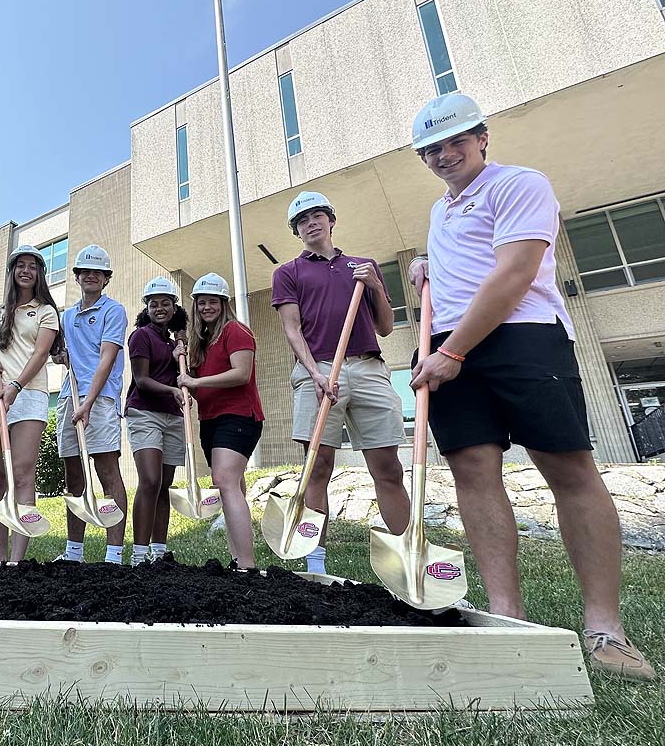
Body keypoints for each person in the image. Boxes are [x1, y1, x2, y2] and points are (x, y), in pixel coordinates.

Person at [407, 92, 654, 681]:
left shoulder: (519, 183)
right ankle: (506, 614)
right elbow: (466, 262)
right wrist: (426, 266)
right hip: (449, 345)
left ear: (483, 136)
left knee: (567, 468)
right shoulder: (442, 212)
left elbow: (514, 272)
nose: (444, 154)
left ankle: (604, 628)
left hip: (522, 337)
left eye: (455, 141)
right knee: (472, 470)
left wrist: (451, 351)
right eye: (432, 148)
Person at [271, 191, 412, 575]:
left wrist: (377, 287)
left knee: (389, 467)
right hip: (317, 368)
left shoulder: (363, 266)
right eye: (302, 220)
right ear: (297, 230)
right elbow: (291, 328)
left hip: (367, 368)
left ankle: (407, 557)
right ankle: (316, 565)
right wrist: (314, 373)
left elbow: (384, 327)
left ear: (331, 220)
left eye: (317, 215)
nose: (310, 223)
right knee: (318, 467)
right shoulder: (288, 272)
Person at [0, 244, 61, 563]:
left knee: (22, 472)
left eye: (32, 266)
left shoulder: (46, 311)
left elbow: (41, 354)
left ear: (39, 274)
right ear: (11, 272)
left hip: (30, 394)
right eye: (20, 265)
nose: (25, 270)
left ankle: (17, 561)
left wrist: (17, 385)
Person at [177, 273, 263, 569]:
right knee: (233, 486)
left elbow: (241, 373)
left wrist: (194, 382)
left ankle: (247, 566)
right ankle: (238, 559)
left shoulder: (235, 330)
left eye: (213, 301)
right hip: (210, 420)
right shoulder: (201, 343)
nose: (206, 307)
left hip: (238, 416)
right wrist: (189, 390)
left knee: (224, 481)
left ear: (223, 303)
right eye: (201, 302)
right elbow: (206, 389)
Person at [55, 245, 130, 564]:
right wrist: (60, 357)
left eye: (97, 272)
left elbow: (106, 359)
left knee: (106, 470)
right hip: (68, 397)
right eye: (85, 271)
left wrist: (88, 403)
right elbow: (64, 353)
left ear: (106, 278)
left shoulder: (114, 311)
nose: (91, 276)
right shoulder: (66, 316)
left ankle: (113, 553)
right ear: (76, 276)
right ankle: (74, 552)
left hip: (100, 400)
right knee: (74, 475)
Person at [125, 276, 188, 566]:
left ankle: (159, 553)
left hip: (172, 416)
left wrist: (179, 358)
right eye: (154, 304)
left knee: (164, 485)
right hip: (145, 412)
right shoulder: (141, 336)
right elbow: (142, 380)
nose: (160, 308)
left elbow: (181, 376)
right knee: (150, 480)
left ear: (174, 308)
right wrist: (173, 389)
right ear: (146, 309)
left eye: (166, 303)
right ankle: (139, 555)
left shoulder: (174, 343)